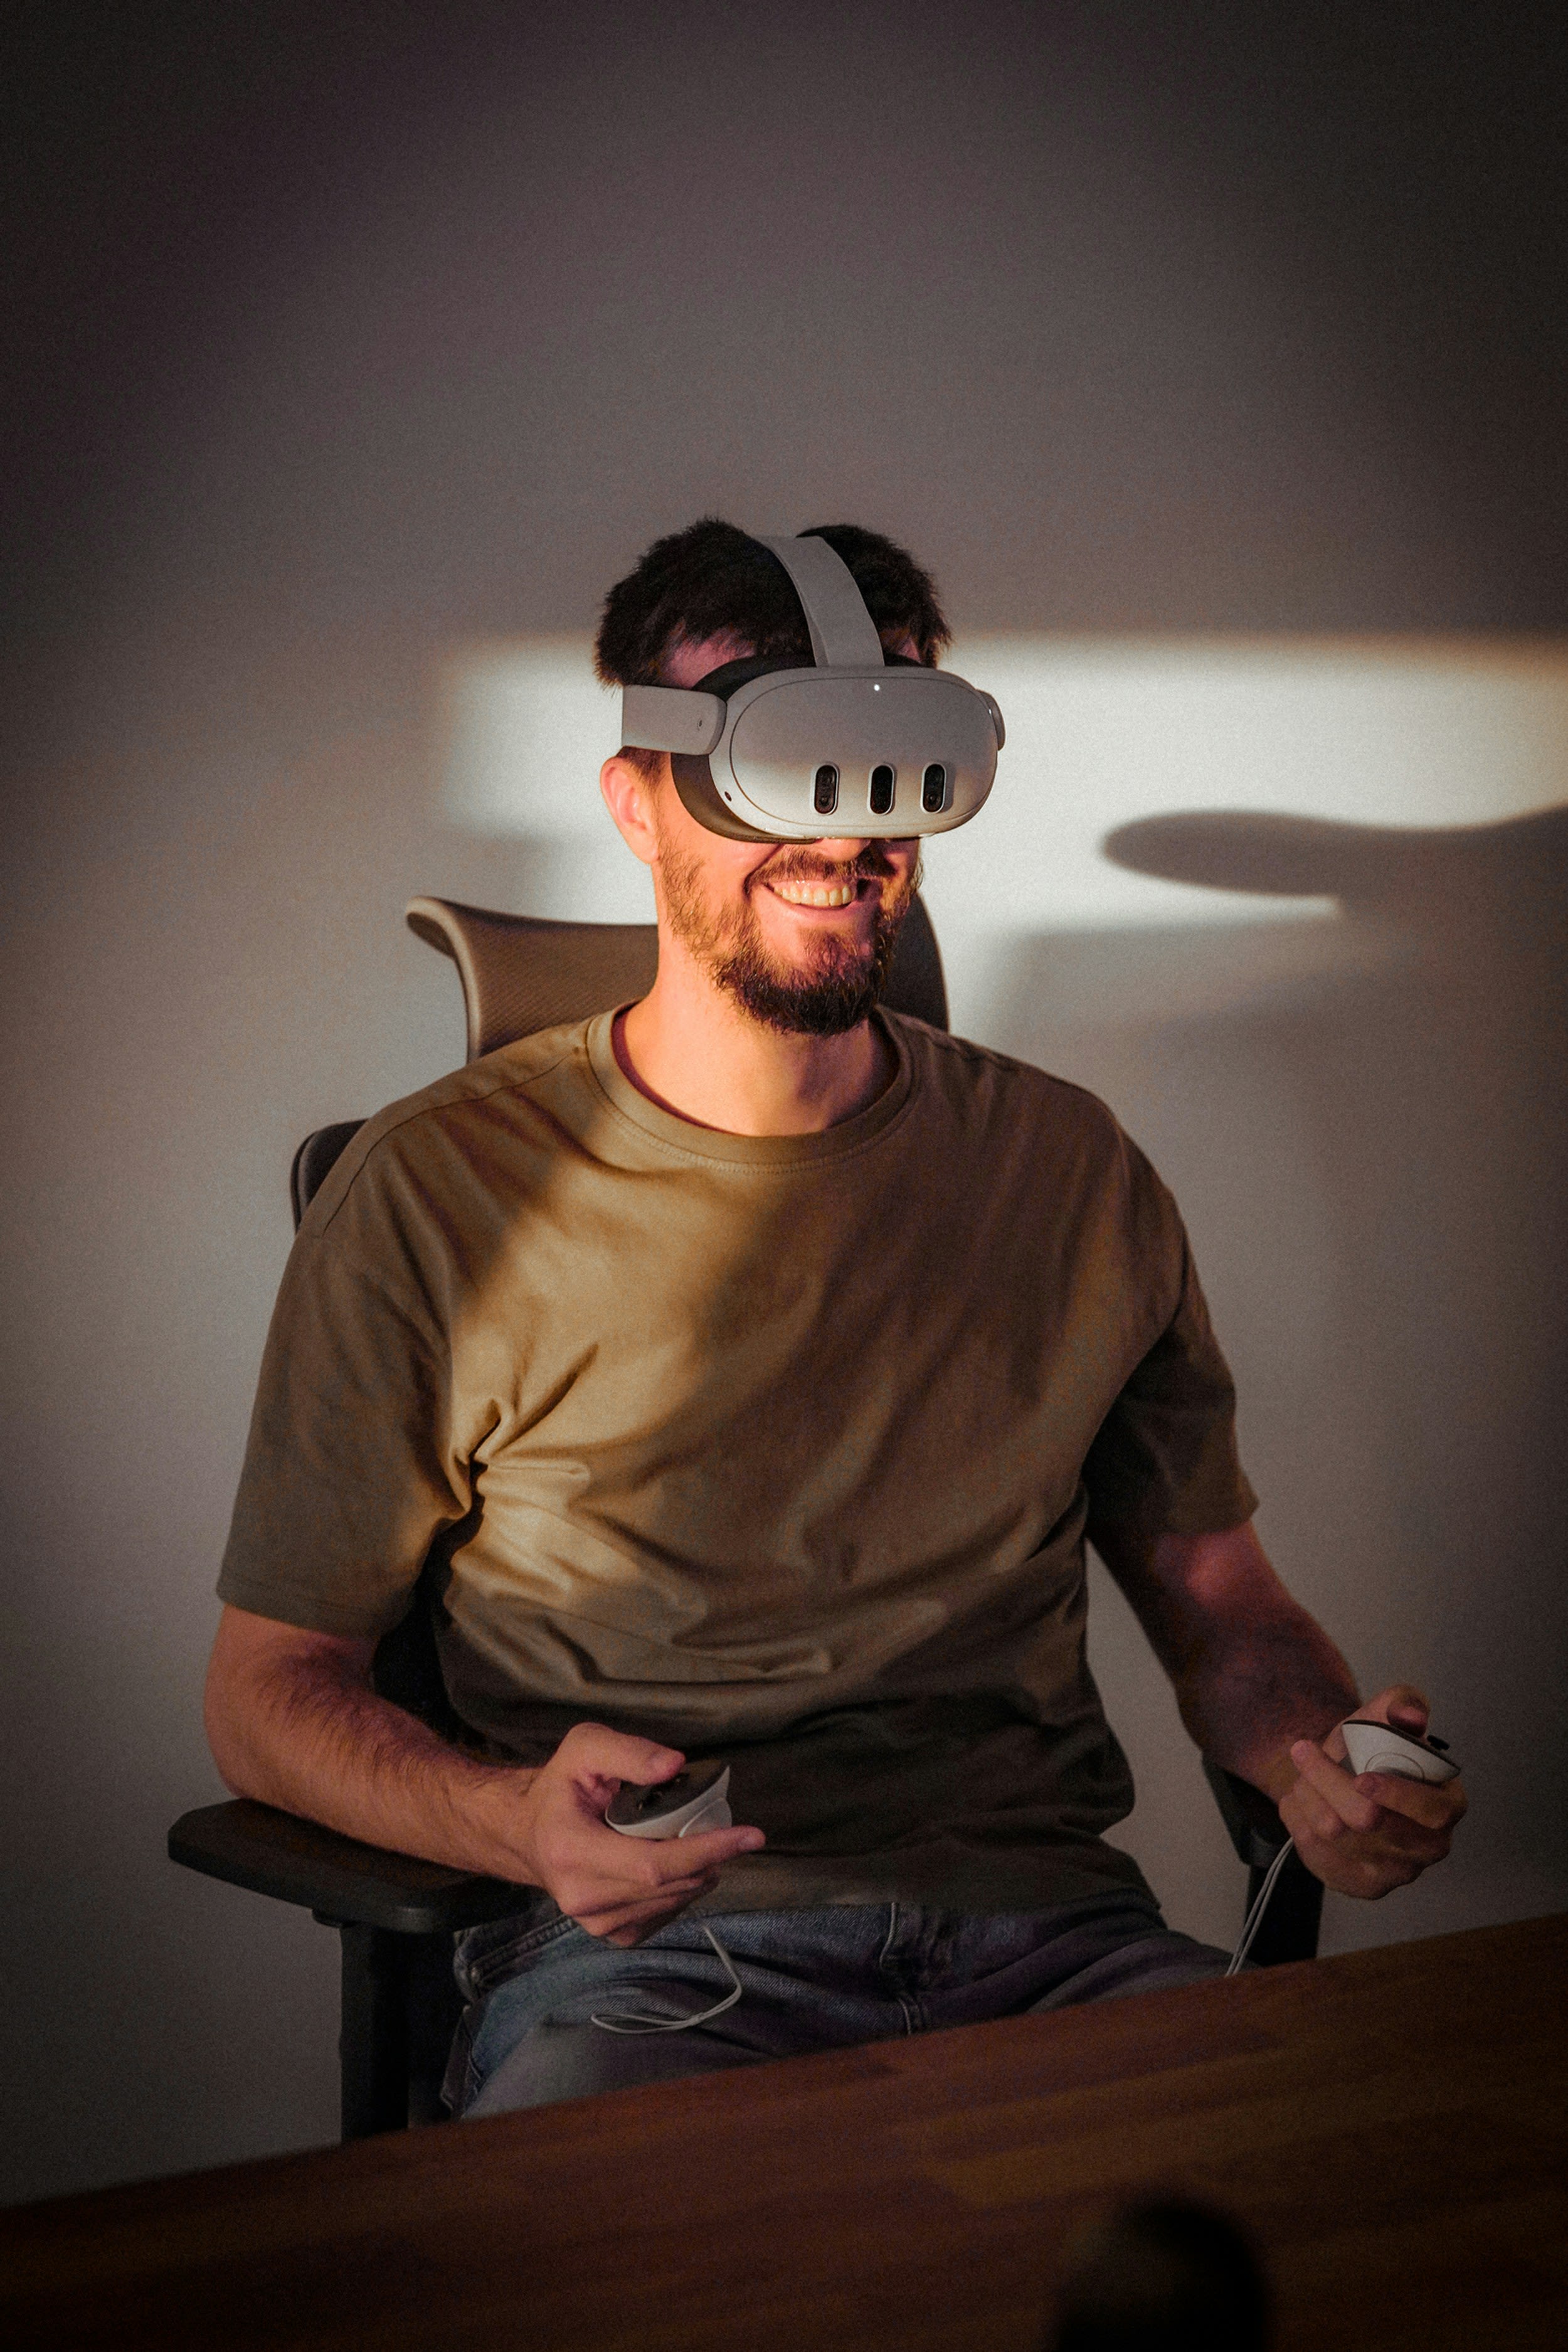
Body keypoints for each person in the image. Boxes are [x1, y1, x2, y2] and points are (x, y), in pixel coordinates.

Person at [205, 520, 1465, 2115]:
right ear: (636, 801)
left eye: (888, 767)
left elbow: (1222, 1606)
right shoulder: (432, 1195)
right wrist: (508, 1822)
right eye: (773, 765)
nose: (844, 833)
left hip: (1050, 1941)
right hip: (650, 1972)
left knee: (1340, 2177)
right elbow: (266, 1693)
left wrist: (1318, 1765)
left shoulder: (1067, 1169)